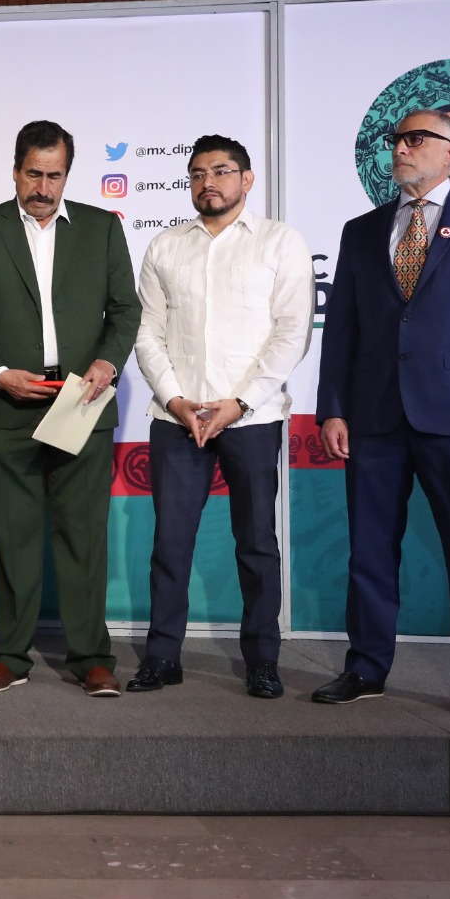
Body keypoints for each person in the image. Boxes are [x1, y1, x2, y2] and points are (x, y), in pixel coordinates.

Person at [315, 109, 450, 721]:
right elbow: (342, 329)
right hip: (374, 416)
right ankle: (365, 667)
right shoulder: (361, 230)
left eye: (417, 139)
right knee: (369, 551)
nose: (401, 149)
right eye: (397, 140)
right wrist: (333, 409)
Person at [0, 120, 140, 697]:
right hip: (9, 403)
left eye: (54, 175)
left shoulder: (102, 229)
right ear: (15, 172)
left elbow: (125, 310)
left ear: (67, 175)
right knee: (14, 537)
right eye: (33, 174)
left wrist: (107, 362)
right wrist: (0, 375)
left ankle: (92, 658)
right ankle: (10, 655)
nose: (43, 187)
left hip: (81, 399)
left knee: (83, 535)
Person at [129, 135, 313, 699]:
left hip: (251, 420)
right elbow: (147, 332)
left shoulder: (280, 242)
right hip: (177, 419)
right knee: (170, 543)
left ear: (247, 179)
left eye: (222, 171)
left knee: (256, 544)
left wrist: (240, 403)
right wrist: (175, 399)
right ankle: (163, 656)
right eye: (198, 173)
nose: (208, 182)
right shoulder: (165, 246)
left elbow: (292, 333)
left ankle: (262, 661)